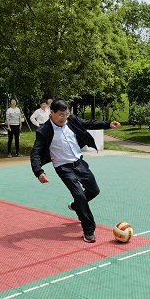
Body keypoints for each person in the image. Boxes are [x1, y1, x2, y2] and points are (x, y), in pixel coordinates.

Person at [30, 98, 121, 243]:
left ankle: (75, 206)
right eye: (61, 115)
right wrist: (39, 172)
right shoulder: (44, 131)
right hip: (63, 168)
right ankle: (89, 230)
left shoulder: (71, 120)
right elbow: (35, 153)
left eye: (66, 114)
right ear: (51, 112)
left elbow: (88, 123)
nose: (64, 118)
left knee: (94, 191)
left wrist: (108, 124)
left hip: (80, 163)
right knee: (79, 195)